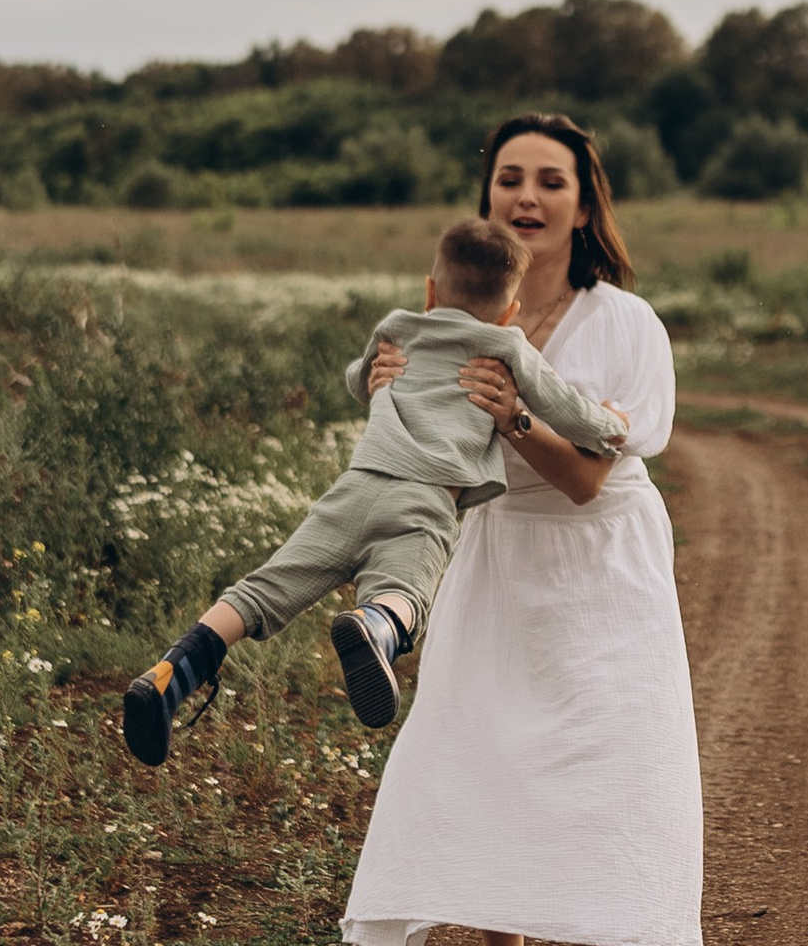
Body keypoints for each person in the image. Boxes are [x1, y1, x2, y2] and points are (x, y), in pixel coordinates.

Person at [340, 113, 703, 946]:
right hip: (495, 552)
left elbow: (588, 477)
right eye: (509, 179)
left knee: (594, 772)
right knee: (482, 756)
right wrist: (389, 396)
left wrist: (513, 415)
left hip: (598, 563)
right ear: (486, 196)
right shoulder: (455, 315)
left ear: (585, 207)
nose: (527, 198)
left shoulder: (624, 325)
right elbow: (427, 466)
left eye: (550, 181)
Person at [121, 215, 625, 766]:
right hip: (426, 503)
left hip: (354, 488)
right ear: (510, 312)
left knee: (262, 590)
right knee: (403, 593)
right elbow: (563, 407)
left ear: (430, 291)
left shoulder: (397, 327)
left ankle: (169, 673)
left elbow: (359, 380)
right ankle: (375, 625)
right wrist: (611, 426)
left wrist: (377, 374)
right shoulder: (506, 345)